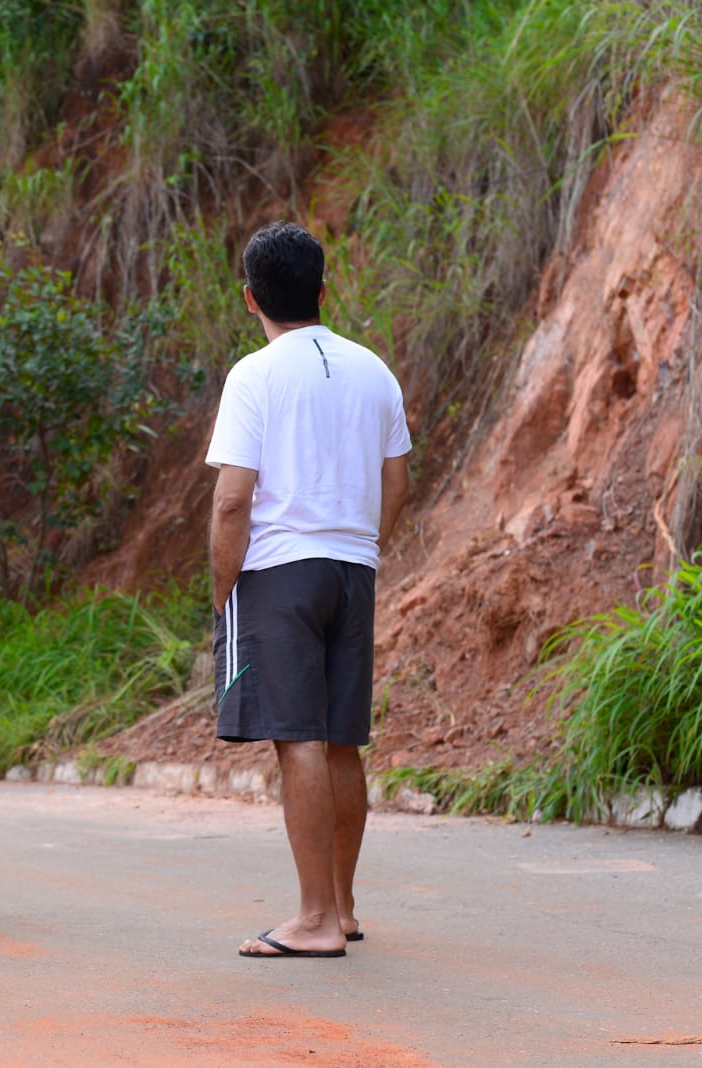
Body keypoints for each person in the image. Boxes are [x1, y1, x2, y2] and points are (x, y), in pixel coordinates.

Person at [206, 221, 412, 959]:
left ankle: (315, 920)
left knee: (297, 740)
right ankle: (344, 906)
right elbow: (398, 481)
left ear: (250, 298)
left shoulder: (254, 376)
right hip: (353, 569)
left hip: (280, 572)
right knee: (342, 740)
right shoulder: (374, 370)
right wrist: (364, 541)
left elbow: (233, 500)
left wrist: (224, 585)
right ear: (324, 290)